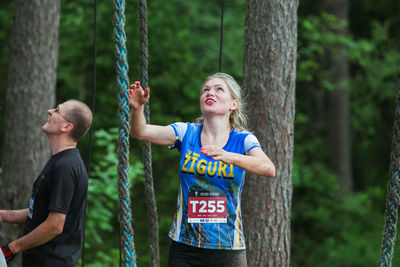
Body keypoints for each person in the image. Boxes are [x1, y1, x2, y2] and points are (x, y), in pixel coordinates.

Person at [129, 73, 276, 267]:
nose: (210, 92)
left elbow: (268, 168)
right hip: (185, 246)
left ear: (234, 104)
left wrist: (228, 156)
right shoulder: (185, 132)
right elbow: (141, 132)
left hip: (227, 247)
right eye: (205, 89)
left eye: (218, 89)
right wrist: (138, 108)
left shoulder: (244, 140)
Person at [0, 100, 92, 267]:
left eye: (57, 110)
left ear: (66, 127)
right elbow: (40, 211)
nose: (50, 111)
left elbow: (55, 225)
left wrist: (12, 248)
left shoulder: (66, 167)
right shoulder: (61, 161)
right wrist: (2, 215)